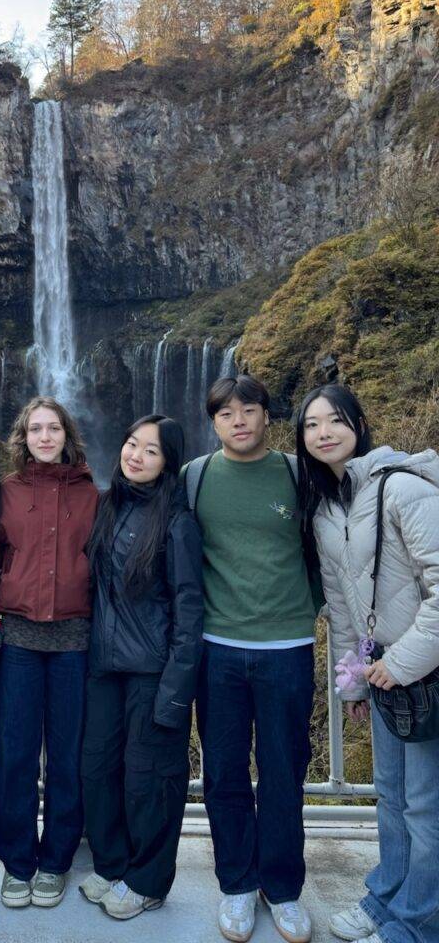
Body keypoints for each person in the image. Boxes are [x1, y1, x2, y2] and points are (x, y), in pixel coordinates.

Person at [297, 384, 439, 943]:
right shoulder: (327, 508)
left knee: (425, 806)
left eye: (335, 420)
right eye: (311, 425)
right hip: (381, 673)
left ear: (358, 424)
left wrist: (400, 663)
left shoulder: (403, 487)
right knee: (392, 796)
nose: (323, 433)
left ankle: (418, 923)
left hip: (423, 670)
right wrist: (354, 680)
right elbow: (340, 604)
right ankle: (388, 898)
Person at [183, 374, 321, 943]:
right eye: (225, 413)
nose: (237, 421)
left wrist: (305, 609)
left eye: (248, 410)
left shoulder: (297, 473)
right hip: (216, 648)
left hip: (287, 647)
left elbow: (326, 548)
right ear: (213, 422)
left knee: (285, 771)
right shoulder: (194, 477)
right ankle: (237, 882)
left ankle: (282, 888)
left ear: (267, 415)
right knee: (223, 771)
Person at [80, 414, 204, 920]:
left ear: (168, 463)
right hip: (103, 667)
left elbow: (189, 610)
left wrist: (176, 689)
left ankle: (148, 880)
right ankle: (112, 864)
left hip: (153, 672)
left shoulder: (177, 522)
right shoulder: (107, 505)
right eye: (132, 444)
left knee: (148, 779)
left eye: (151, 450)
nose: (136, 455)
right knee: (97, 769)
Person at [0, 396, 99, 909]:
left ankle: (56, 859)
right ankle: (17, 862)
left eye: (53, 428)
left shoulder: (93, 495)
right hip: (19, 641)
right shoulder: (6, 492)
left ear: (67, 435)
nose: (45, 437)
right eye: (35, 429)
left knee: (67, 754)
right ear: (24, 437)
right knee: (14, 753)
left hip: (75, 642)